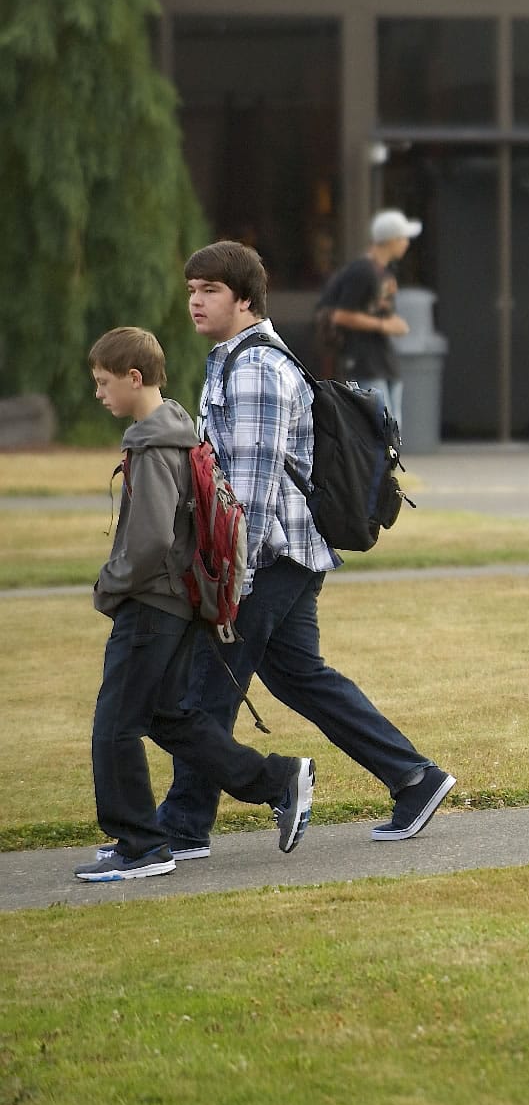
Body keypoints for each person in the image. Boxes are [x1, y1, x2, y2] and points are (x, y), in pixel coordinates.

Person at [159, 242, 456, 854]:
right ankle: (414, 777)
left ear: (244, 298)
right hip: (282, 555)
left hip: (267, 558)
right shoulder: (232, 359)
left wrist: (228, 578)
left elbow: (252, 488)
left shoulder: (257, 372)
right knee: (301, 678)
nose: (194, 300)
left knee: (205, 693)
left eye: (209, 290)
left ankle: (184, 826)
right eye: (191, 289)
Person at [75, 327, 316, 882]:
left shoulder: (152, 444)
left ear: (135, 379)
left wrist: (111, 584)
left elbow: (154, 537)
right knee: (167, 716)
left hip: (152, 602)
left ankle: (141, 845)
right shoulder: (179, 433)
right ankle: (279, 780)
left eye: (103, 383)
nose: (98, 394)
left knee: (115, 726)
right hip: (180, 603)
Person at [324, 208, 416, 424]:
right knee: (378, 427)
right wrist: (384, 325)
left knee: (393, 427)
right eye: (402, 238)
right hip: (365, 361)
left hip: (385, 360)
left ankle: (388, 459)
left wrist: (393, 323)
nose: (406, 244)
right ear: (390, 240)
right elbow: (341, 315)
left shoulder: (385, 273)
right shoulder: (361, 271)